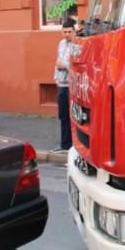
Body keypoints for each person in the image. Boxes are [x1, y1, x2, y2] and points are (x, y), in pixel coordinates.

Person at [54, 18, 77, 153]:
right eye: (64, 32)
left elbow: (76, 66)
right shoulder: (61, 43)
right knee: (63, 115)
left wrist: (64, 65)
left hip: (72, 85)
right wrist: (55, 77)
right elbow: (57, 60)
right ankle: (65, 144)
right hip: (61, 84)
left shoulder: (77, 44)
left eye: (69, 31)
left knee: (73, 116)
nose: (67, 34)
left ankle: (75, 145)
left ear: (74, 31)